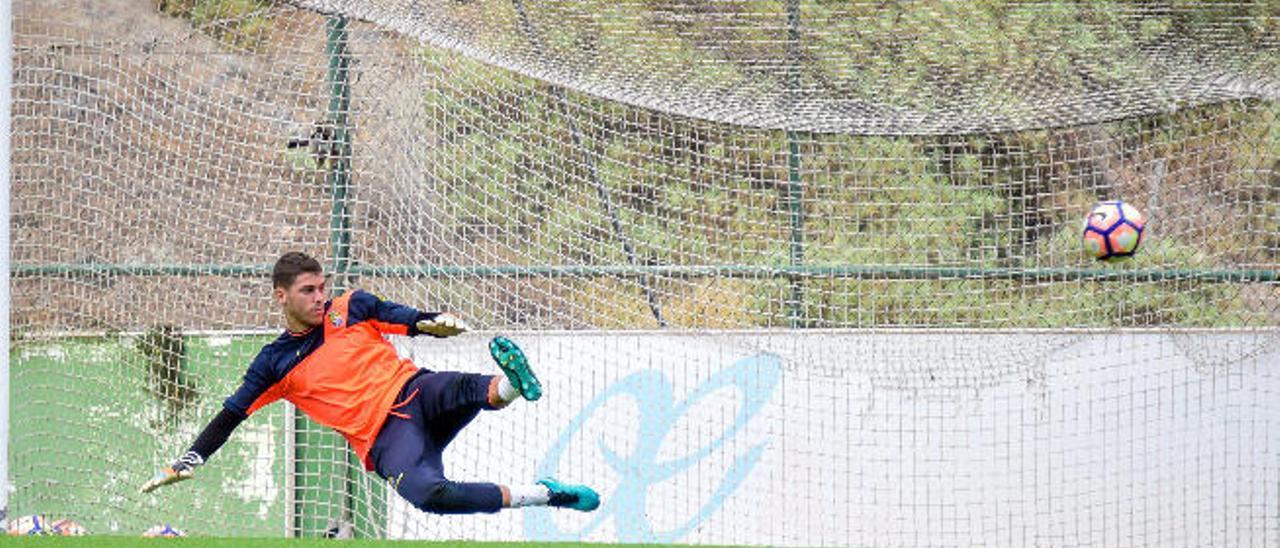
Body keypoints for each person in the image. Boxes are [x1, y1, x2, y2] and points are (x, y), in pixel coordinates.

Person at [141, 251, 599, 515]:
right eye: (308, 291)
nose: (320, 297)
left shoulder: (352, 307)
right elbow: (231, 415)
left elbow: (404, 318)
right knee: (430, 497)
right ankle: (547, 494)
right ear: (281, 297)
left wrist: (432, 322)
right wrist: (189, 460)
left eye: (322, 287)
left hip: (415, 390)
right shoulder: (273, 364)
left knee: (469, 389)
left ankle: (515, 382)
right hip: (385, 439)